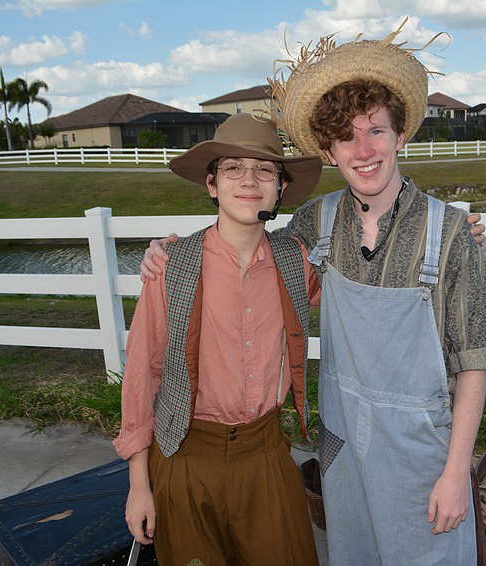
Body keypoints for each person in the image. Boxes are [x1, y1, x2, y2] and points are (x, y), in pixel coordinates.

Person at [141, 22, 486, 565]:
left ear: (401, 135)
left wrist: (456, 473)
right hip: (344, 451)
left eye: (376, 131)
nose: (363, 150)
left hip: (421, 456)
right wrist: (172, 253)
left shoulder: (451, 233)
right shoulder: (317, 223)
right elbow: (250, 251)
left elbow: (473, 361)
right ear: (329, 151)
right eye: (346, 137)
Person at [113, 113, 323, 566]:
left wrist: (452, 239)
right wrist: (138, 485)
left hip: (264, 453)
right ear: (212, 184)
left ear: (280, 187)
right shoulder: (171, 263)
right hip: (186, 457)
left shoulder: (297, 263)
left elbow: (371, 276)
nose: (249, 180)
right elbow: (144, 371)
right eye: (233, 168)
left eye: (265, 169)